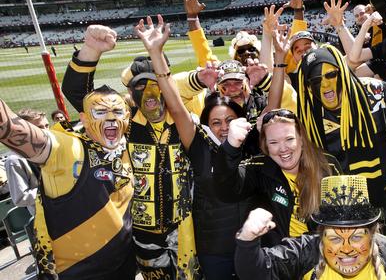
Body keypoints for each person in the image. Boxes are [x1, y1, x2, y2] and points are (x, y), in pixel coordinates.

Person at [62, 23, 207, 279]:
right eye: (140, 87)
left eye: (155, 84)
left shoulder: (188, 124)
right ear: (130, 92)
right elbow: (79, 95)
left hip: (188, 230)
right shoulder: (124, 126)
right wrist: (90, 50)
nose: (149, 94)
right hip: (143, 236)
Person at [136, 18, 252, 279]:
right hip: (213, 252)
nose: (224, 128)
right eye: (216, 122)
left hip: (252, 244)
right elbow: (175, 106)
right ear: (206, 125)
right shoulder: (200, 146)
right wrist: (156, 55)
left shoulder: (252, 143)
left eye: (229, 121)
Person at [292, 44, 386, 243]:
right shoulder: (309, 117)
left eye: (331, 75)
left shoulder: (374, 91)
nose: (326, 86)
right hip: (349, 202)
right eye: (315, 80)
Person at [0, 86, 136, 279]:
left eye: (117, 112)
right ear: (84, 119)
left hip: (123, 265)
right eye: (100, 112)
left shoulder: (127, 149)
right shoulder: (66, 148)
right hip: (78, 273)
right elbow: (10, 128)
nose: (111, 118)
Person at [234, 175, 386, 279]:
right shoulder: (307, 250)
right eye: (335, 238)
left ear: (373, 234)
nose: (346, 249)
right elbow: (256, 273)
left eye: (357, 237)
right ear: (321, 236)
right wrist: (248, 240)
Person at [209, 104, 341, 246]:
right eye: (274, 142)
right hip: (278, 259)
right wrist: (230, 148)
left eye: (289, 139)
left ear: (301, 138)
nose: (283, 149)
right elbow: (226, 191)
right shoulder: (259, 168)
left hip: (322, 255)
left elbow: (344, 215)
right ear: (265, 146)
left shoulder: (327, 165)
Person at [4, 108, 46, 215]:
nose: (46, 131)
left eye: (47, 126)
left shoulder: (53, 148)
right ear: (23, 131)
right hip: (48, 220)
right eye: (39, 127)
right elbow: (20, 198)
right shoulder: (15, 160)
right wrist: (51, 189)